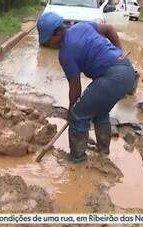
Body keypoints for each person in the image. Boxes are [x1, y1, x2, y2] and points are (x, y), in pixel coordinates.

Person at [37, 12, 135, 163]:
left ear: (58, 33)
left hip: (112, 78)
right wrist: (119, 52)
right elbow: (109, 29)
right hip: (127, 71)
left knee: (78, 114)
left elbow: (75, 88)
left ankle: (77, 159)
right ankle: (103, 151)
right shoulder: (81, 26)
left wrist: (72, 112)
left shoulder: (66, 53)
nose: (48, 44)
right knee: (100, 111)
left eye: (48, 40)